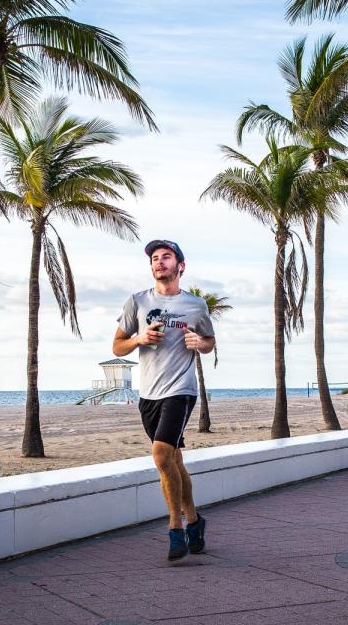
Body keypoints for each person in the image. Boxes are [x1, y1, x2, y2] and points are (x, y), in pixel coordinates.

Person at [112, 239, 216, 560]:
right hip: (149, 395)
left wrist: (200, 342)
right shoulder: (137, 302)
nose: (159, 262)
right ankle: (196, 521)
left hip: (181, 391)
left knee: (160, 456)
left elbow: (210, 341)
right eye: (155, 258)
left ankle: (175, 530)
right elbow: (117, 346)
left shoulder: (196, 306)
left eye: (166, 257)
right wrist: (139, 338)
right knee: (174, 461)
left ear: (179, 266)